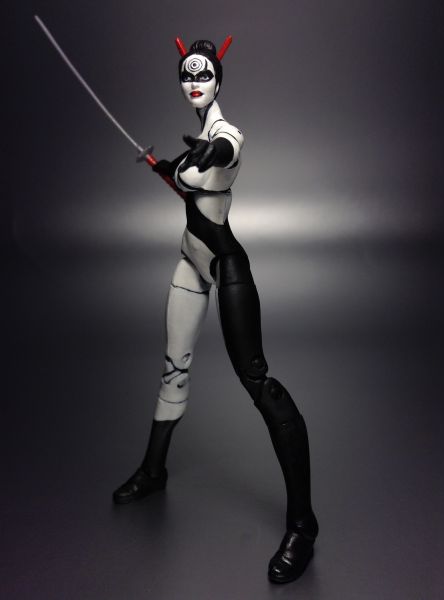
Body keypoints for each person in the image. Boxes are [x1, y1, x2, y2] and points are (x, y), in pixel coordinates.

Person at [113, 38, 318, 584]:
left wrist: (211, 153)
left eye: (204, 74)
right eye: (187, 73)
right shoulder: (198, 134)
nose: (194, 81)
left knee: (258, 381)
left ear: (219, 79)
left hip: (225, 266)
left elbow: (226, 150)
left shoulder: (224, 132)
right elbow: (193, 189)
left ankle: (304, 523)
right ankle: (154, 470)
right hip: (189, 260)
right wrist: (168, 167)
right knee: (173, 368)